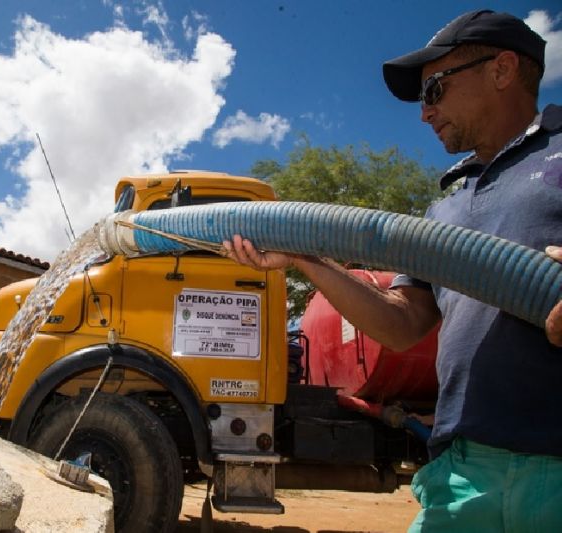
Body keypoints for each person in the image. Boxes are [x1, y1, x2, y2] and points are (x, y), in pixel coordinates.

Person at [224, 9, 562, 532]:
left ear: (501, 70)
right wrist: (304, 258)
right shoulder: (445, 210)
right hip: (463, 473)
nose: (425, 115)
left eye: (434, 91)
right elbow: (401, 325)